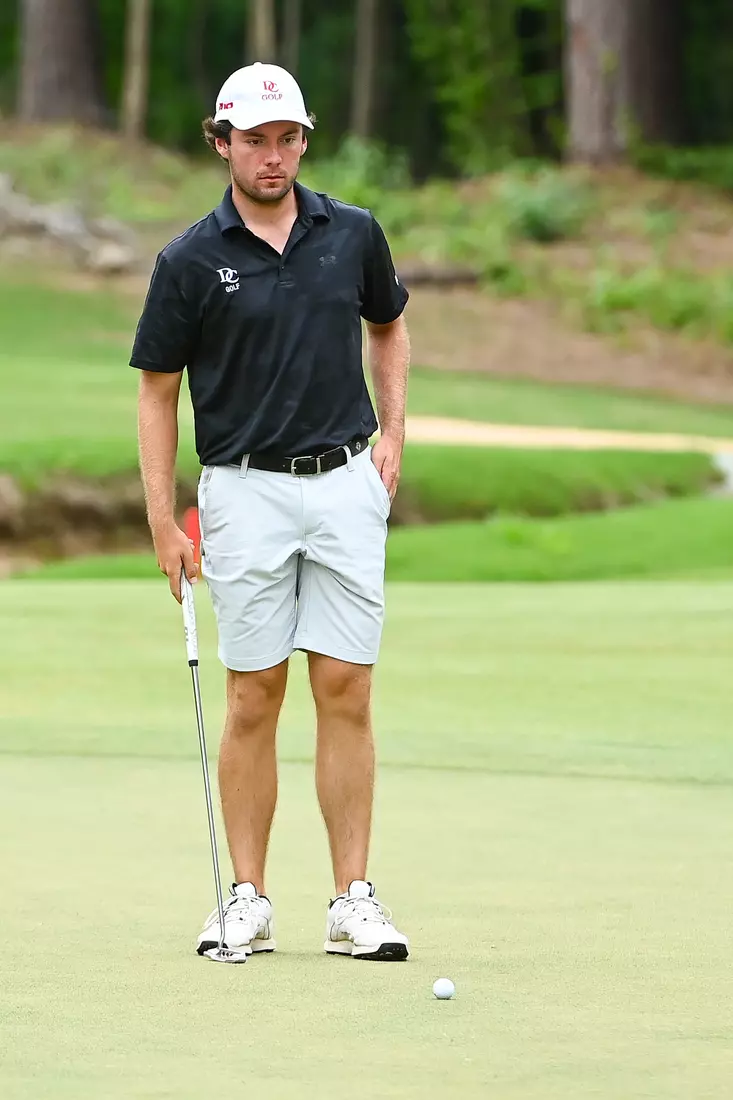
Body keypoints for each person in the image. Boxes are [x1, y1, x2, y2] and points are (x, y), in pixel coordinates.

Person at [131, 63, 411, 961]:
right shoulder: (187, 260)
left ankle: (351, 901)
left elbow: (389, 326)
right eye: (253, 139)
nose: (273, 156)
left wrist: (393, 435)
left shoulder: (352, 233)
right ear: (221, 143)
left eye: (287, 137)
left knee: (347, 688)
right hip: (242, 490)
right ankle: (246, 897)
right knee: (254, 694)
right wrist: (161, 521)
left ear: (303, 140)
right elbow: (156, 392)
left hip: (341, 483)